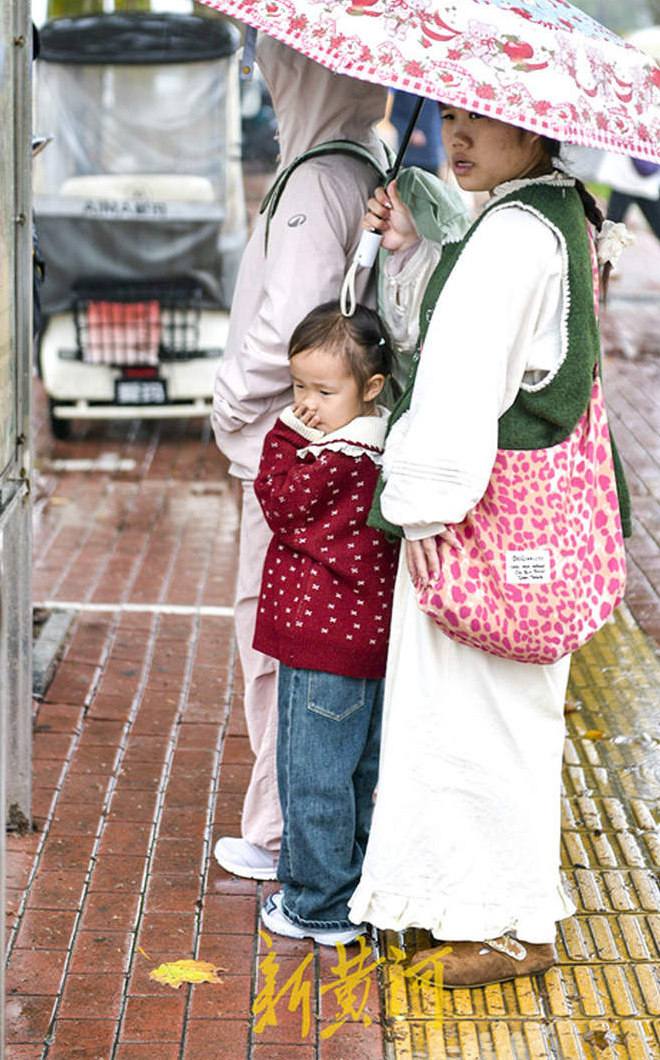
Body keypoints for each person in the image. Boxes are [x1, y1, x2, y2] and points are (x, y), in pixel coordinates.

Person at [348, 107, 632, 987]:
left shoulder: (512, 234)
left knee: (477, 719)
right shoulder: (557, 209)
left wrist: (419, 507)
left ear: (536, 128)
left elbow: (460, 378)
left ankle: (509, 921)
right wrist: (413, 243)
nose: (457, 136)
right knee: (502, 717)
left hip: (481, 521)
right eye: (455, 116)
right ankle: (476, 904)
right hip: (537, 523)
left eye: (482, 120)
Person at [210, 35, 390, 881]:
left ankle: (279, 829)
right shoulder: (366, 156)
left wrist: (227, 405)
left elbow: (290, 324)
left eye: (275, 58)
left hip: (288, 450)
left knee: (272, 636)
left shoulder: (314, 180)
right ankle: (297, 820)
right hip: (341, 444)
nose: (265, 70)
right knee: (307, 636)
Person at [252, 302, 398, 945]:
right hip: (365, 640)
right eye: (297, 388)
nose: (305, 403)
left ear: (369, 389)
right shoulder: (384, 445)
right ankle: (349, 884)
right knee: (354, 773)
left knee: (311, 774)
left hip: (322, 643)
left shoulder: (330, 458)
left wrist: (283, 432)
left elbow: (276, 499)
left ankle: (318, 905)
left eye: (322, 390)